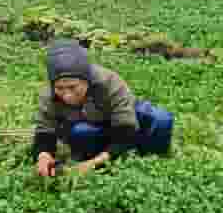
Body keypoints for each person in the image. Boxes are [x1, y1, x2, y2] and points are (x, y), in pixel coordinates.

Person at [30, 38, 177, 177]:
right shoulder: (49, 93)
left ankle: (145, 155)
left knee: (161, 120)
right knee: (81, 133)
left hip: (120, 121)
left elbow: (125, 128)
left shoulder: (109, 82)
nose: (67, 95)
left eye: (72, 87)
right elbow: (44, 132)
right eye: (60, 88)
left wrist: (93, 164)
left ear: (86, 80)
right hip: (90, 126)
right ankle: (109, 153)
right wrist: (43, 156)